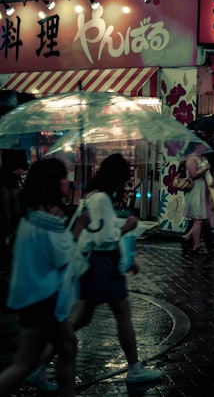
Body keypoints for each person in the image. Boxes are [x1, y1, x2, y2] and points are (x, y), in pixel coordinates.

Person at [67, 154, 162, 384]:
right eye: (125, 173)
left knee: (82, 317)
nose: (128, 177)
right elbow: (105, 237)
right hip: (102, 266)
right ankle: (134, 368)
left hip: (99, 264)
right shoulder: (101, 198)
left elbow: (99, 229)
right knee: (119, 313)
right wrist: (128, 226)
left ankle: (39, 361)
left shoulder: (95, 196)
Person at [0, 159, 89, 396]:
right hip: (42, 300)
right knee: (24, 363)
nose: (67, 181)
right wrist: (79, 226)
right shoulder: (44, 220)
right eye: (61, 177)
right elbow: (62, 256)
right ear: (50, 183)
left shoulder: (33, 215)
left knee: (67, 347)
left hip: (36, 298)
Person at [180, 142, 212, 255]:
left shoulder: (202, 158)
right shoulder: (191, 159)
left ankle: (188, 236)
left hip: (202, 189)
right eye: (202, 145)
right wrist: (205, 169)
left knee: (202, 219)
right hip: (195, 190)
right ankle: (197, 245)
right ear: (197, 146)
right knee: (198, 219)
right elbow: (193, 175)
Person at [0, 148, 28, 252]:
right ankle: (8, 238)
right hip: (6, 184)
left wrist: (22, 171)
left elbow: (25, 166)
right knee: (8, 213)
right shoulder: (8, 151)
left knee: (15, 212)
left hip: (12, 184)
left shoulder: (19, 150)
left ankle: (11, 237)